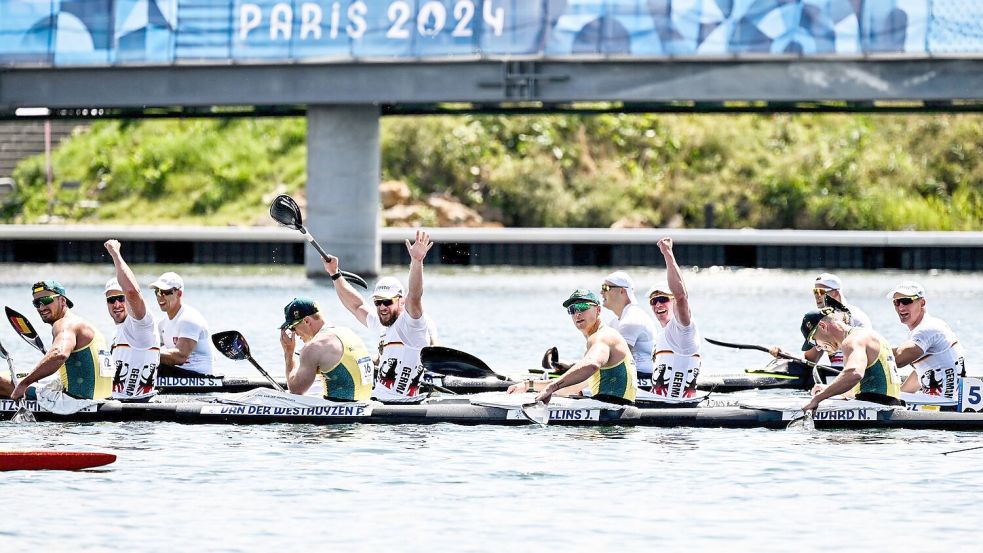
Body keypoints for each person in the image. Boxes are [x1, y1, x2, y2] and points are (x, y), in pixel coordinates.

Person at [328, 230, 438, 403]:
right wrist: (335, 275)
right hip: (378, 400)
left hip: (400, 405)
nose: (382, 308)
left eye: (387, 302)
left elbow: (415, 296)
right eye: (378, 303)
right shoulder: (382, 325)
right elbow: (356, 306)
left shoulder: (411, 324)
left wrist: (417, 262)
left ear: (401, 302)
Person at [508, 289, 638, 405]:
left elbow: (592, 364)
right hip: (613, 408)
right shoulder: (599, 339)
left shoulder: (602, 337)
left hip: (611, 412)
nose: (577, 314)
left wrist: (551, 387)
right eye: (572, 309)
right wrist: (528, 385)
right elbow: (572, 387)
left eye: (582, 307)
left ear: (598, 310)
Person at [0, 281, 113, 402]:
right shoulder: (85, 325)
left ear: (63, 301)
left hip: (76, 402)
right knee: (13, 375)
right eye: (36, 303)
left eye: (47, 300)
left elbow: (59, 354)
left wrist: (24, 384)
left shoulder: (64, 324)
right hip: (104, 398)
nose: (41, 307)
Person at [800, 308, 902, 412]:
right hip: (889, 407)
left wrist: (817, 399)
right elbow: (868, 388)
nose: (817, 347)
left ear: (823, 326)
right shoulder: (869, 335)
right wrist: (828, 389)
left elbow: (854, 373)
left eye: (814, 341)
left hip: (876, 411)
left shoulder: (852, 341)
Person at [770, 272, 872, 373]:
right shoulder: (823, 319)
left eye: (820, 292)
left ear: (835, 293)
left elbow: (866, 359)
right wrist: (784, 354)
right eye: (815, 292)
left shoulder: (856, 317)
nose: (817, 296)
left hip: (856, 374)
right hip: (837, 374)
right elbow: (810, 360)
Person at [278, 297, 373, 401]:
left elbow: (296, 390)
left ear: (306, 321)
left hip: (341, 411)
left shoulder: (313, 347)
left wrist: (289, 352)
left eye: (292, 327)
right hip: (364, 403)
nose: (294, 333)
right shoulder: (347, 332)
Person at [888, 281, 966, 400]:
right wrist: (896, 397)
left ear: (922, 303)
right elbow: (920, 372)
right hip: (950, 400)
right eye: (896, 302)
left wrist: (865, 352)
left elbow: (897, 360)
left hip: (945, 406)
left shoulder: (926, 329)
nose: (901, 307)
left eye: (906, 301)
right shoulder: (934, 324)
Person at [105, 240, 160, 401]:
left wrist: (115, 254)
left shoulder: (141, 324)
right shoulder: (119, 330)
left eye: (120, 298)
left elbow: (131, 291)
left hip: (137, 409)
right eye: (111, 299)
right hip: (119, 404)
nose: (116, 304)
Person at [648, 237, 701, 399]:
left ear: (673, 303)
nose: (658, 305)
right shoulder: (663, 333)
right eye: (653, 301)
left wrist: (668, 254)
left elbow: (681, 296)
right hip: (660, 401)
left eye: (663, 299)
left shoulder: (682, 329)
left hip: (675, 406)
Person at [600, 270, 657, 387]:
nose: (601, 292)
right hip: (632, 376)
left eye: (605, 287)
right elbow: (601, 354)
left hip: (644, 379)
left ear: (622, 291)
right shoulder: (615, 322)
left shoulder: (632, 319)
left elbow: (614, 360)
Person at [152, 271, 214, 375]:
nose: (160, 297)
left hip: (198, 375)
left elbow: (180, 357)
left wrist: (146, 353)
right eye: (157, 292)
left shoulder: (189, 319)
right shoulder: (162, 324)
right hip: (177, 372)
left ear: (179, 293)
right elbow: (148, 345)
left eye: (165, 292)